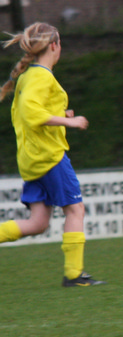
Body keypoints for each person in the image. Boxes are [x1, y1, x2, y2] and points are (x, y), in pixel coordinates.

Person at [0, 22, 105, 286]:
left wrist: (61, 115)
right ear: (55, 45)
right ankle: (74, 275)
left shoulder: (28, 76)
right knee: (75, 209)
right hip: (49, 157)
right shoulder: (41, 76)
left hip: (31, 158)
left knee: (38, 223)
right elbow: (31, 114)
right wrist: (70, 121)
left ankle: (74, 274)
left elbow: (29, 112)